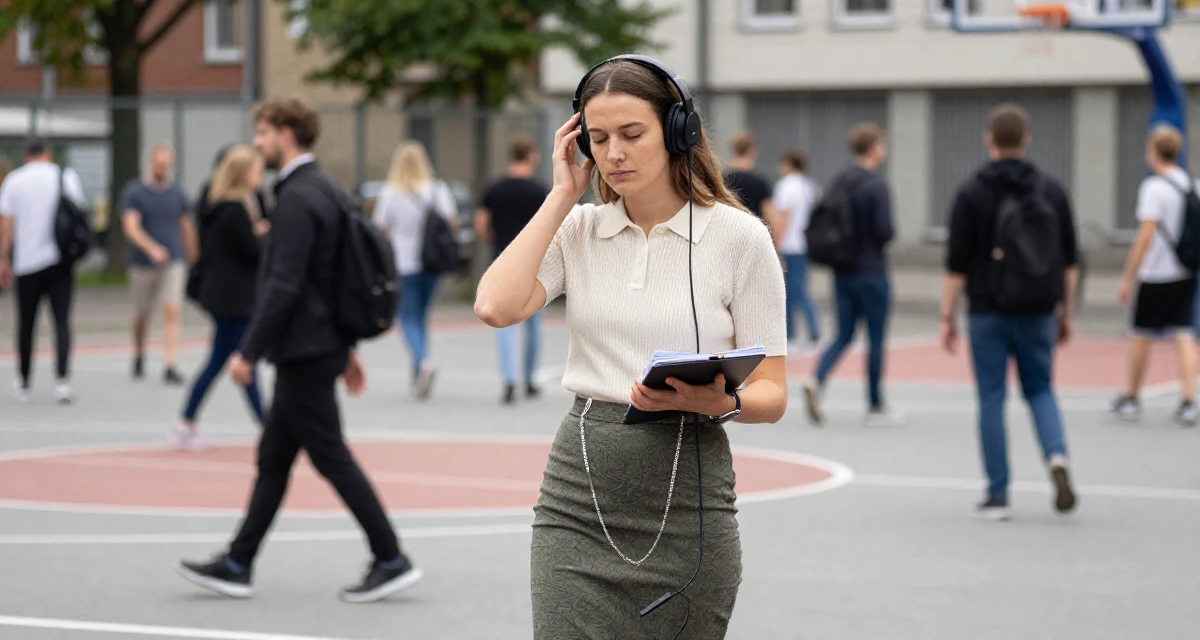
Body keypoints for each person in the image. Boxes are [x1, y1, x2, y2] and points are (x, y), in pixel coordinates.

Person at [474, 55, 787, 638]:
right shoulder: (579, 231)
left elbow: (772, 391)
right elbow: (495, 307)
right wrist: (561, 197)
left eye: (632, 134)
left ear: (678, 133)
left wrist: (719, 404)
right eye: (598, 139)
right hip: (577, 504)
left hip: (691, 506)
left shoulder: (741, 239)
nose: (613, 153)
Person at [176, 97, 422, 603]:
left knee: (330, 456)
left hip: (303, 350)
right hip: (317, 344)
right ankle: (238, 561)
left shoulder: (295, 197)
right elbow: (331, 278)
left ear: (287, 133)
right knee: (274, 457)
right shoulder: (326, 189)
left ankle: (390, 556)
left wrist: (247, 352)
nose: (257, 143)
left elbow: (285, 284)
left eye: (263, 133)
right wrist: (345, 345)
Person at [939, 103, 1080, 521]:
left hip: (988, 310)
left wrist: (947, 315)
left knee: (991, 396)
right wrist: (1066, 310)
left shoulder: (972, 191)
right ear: (1026, 140)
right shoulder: (1051, 190)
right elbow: (1070, 260)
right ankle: (1057, 457)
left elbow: (956, 265)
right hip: (1039, 308)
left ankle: (998, 494)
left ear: (989, 140)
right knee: (1040, 389)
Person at [802, 123, 902, 427]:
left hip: (843, 271)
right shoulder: (876, 185)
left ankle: (817, 379)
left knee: (844, 333)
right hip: (872, 271)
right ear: (873, 148)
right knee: (875, 338)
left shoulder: (840, 181)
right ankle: (874, 404)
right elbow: (886, 231)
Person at [173, 145, 270, 451]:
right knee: (243, 361)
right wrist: (264, 234)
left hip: (227, 296)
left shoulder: (224, 205)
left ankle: (186, 422)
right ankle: (267, 428)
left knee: (220, 361)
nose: (260, 176)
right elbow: (252, 251)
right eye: (256, 170)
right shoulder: (234, 209)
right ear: (243, 174)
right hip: (234, 298)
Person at [1110, 124, 1200, 427]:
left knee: (1141, 333)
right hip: (1185, 270)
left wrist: (1128, 275)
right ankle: (1188, 398)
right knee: (1184, 332)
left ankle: (1133, 396)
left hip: (1156, 273)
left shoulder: (1154, 188)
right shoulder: (1191, 184)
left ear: (1153, 152)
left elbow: (1145, 235)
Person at [0, 135, 87, 404]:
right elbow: (79, 213)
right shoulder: (65, 176)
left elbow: (7, 223)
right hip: (60, 261)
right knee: (61, 321)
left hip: (27, 262)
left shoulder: (14, 180)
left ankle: (24, 380)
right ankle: (62, 380)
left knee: (26, 323)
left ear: (26, 153)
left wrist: (4, 258)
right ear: (48, 152)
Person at [371, 140, 458, 400]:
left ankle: (422, 361)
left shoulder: (390, 193)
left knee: (405, 318)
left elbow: (379, 227)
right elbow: (451, 222)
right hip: (431, 261)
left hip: (403, 263)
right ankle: (419, 372)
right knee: (420, 316)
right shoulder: (437, 190)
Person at [475, 135, 551, 404]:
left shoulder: (494, 189)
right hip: (534, 264)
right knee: (533, 325)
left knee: (504, 325)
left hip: (503, 262)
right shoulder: (539, 189)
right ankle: (529, 379)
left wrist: (496, 242)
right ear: (531, 155)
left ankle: (508, 378)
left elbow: (481, 225)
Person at [120, 144, 198, 385]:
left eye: (167, 164)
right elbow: (131, 227)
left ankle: (170, 363)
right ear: (151, 163)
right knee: (142, 314)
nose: (163, 168)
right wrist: (150, 248)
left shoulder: (177, 194)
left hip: (173, 260)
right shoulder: (135, 193)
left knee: (172, 310)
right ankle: (139, 353)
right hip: (143, 264)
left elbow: (186, 226)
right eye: (159, 163)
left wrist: (194, 254)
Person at [772, 148, 822, 352]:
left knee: (787, 291)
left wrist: (776, 243)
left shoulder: (785, 186)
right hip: (804, 243)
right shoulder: (809, 186)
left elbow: (783, 216)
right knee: (800, 289)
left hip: (789, 244)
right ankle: (813, 328)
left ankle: (791, 334)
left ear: (788, 164)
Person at [722, 131, 775, 223]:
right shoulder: (760, 183)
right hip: (754, 232)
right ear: (752, 151)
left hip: (728, 231)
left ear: (734, 150)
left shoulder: (722, 180)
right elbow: (770, 215)